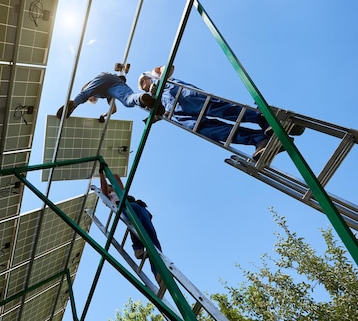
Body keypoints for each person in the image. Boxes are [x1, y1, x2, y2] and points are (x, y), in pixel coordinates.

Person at [138, 65, 302, 160]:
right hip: (180, 114)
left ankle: (265, 119)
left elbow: (169, 67)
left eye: (144, 81)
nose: (144, 85)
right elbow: (163, 111)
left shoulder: (157, 77)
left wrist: (157, 75)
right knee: (212, 131)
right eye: (142, 85)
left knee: (223, 110)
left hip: (184, 95)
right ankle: (260, 140)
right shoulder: (154, 98)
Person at [98, 163, 163, 279]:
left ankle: (159, 273)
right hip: (127, 207)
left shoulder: (120, 192)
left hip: (139, 208)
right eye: (109, 186)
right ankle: (137, 247)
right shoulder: (108, 197)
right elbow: (103, 189)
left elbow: (117, 177)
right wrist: (101, 174)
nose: (110, 187)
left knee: (153, 239)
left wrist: (109, 173)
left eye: (110, 186)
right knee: (136, 216)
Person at [56, 72, 165, 121]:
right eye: (93, 100)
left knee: (85, 94)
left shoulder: (89, 87)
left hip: (103, 79)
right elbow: (113, 109)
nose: (93, 99)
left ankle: (71, 105)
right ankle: (143, 98)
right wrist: (105, 115)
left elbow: (85, 93)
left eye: (91, 99)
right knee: (128, 100)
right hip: (113, 83)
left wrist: (74, 104)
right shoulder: (107, 96)